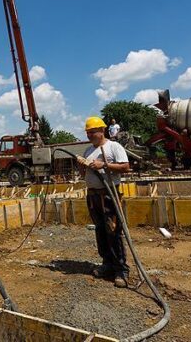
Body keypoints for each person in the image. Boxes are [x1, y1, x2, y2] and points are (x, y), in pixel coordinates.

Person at [80, 116, 130, 287]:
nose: (90, 135)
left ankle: (121, 270)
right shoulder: (88, 151)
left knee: (113, 231)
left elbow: (125, 167)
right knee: (100, 231)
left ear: (102, 131)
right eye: (88, 133)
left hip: (109, 196)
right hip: (93, 196)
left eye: (92, 132)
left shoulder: (113, 147)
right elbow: (84, 174)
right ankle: (107, 264)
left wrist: (105, 165)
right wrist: (82, 165)